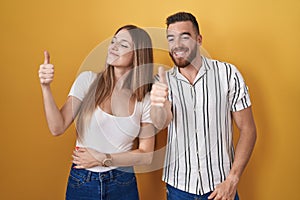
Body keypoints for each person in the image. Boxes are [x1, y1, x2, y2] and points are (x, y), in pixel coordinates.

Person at [38, 25, 155, 200]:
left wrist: (103, 158)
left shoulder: (145, 99)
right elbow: (57, 127)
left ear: (138, 55)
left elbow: (146, 155)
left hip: (123, 182)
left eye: (123, 45)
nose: (114, 46)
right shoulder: (88, 81)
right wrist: (45, 87)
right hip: (83, 182)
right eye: (113, 41)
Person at [150, 12, 257, 200]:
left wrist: (232, 180)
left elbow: (248, 129)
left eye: (185, 36)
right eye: (171, 39)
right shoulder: (162, 81)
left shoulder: (227, 74)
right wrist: (158, 104)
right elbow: (161, 123)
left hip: (221, 187)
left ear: (199, 39)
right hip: (178, 188)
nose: (177, 45)